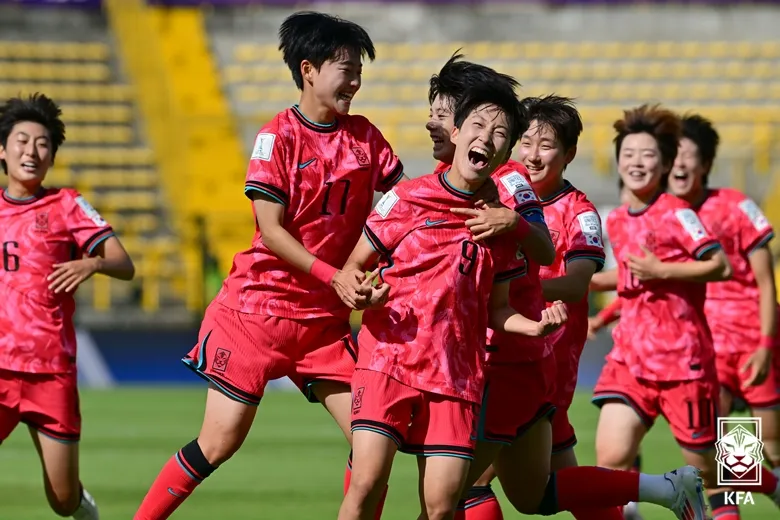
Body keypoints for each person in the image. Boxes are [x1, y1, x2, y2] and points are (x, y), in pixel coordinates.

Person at [133, 11, 407, 520]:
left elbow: (406, 207)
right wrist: (338, 276)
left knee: (373, 443)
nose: (356, 80)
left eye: (358, 70)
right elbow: (272, 231)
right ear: (308, 69)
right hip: (255, 314)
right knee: (219, 442)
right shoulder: (276, 138)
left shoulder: (367, 138)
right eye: (345, 68)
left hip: (322, 325)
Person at [425, 59, 709, 520]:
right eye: (630, 157)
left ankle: (759, 492)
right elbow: (624, 282)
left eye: (651, 158)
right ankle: (661, 491)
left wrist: (756, 337)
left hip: (705, 357)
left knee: (734, 463)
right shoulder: (605, 213)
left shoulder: (695, 213)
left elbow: (728, 269)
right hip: (628, 364)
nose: (534, 155)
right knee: (560, 482)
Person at [338, 83, 568, 520]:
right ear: (458, 132)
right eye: (478, 125)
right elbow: (353, 266)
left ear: (505, 156)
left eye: (500, 133)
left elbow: (500, 308)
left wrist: (535, 325)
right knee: (366, 482)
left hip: (455, 375)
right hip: (390, 358)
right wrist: (359, 290)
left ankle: (698, 492)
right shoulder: (406, 198)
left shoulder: (499, 222)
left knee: (444, 507)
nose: (486, 136)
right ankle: (676, 490)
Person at [0, 93, 135, 520]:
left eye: (42, 144)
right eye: (21, 141)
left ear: (52, 156)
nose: (31, 151)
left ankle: (81, 507)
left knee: (62, 500)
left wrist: (91, 262)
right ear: (2, 151)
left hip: (50, 371)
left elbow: (124, 263)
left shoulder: (66, 204)